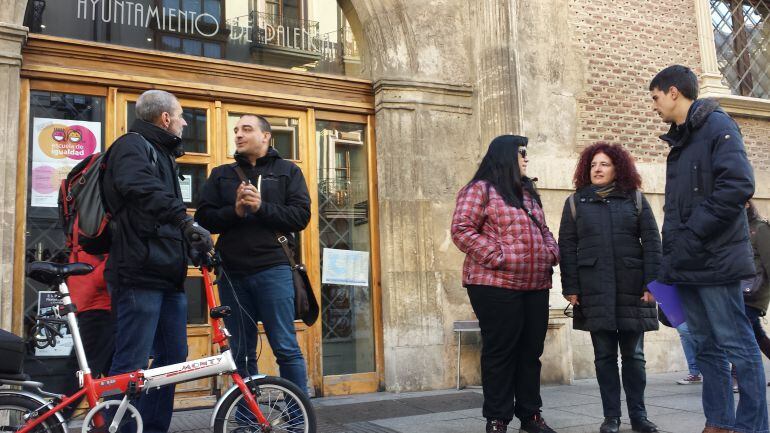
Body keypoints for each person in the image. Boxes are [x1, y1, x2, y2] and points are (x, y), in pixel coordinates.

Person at [650, 64, 767, 433]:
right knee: (704, 346)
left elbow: (738, 184)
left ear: (673, 92)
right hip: (687, 261)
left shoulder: (718, 126)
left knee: (738, 344)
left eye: (656, 97)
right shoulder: (681, 139)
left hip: (715, 260)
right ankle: (718, 421)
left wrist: (694, 232)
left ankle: (752, 426)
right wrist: (671, 259)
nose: (654, 105)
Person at [102, 90, 213, 433]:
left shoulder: (163, 154)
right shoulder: (131, 146)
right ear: (165, 118)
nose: (184, 123)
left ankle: (151, 427)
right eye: (180, 116)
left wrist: (193, 245)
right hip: (138, 274)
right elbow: (141, 190)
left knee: (173, 358)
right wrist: (184, 221)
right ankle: (119, 429)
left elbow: (160, 220)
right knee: (131, 361)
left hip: (167, 275)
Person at [195, 114, 311, 394]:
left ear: (266, 136)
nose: (238, 134)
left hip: (274, 269)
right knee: (241, 350)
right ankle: (247, 414)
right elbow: (204, 218)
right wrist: (234, 211)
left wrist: (261, 207)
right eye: (236, 130)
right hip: (232, 273)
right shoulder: (221, 174)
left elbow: (300, 217)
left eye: (246, 129)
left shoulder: (288, 171)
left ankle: (298, 413)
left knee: (285, 346)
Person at [451, 135, 559, 433]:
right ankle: (497, 418)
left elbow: (544, 229)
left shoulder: (528, 192)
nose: (526, 158)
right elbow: (461, 229)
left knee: (531, 353)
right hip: (494, 284)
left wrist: (551, 251)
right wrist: (499, 256)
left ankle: (530, 416)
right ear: (505, 155)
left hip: (535, 284)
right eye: (521, 152)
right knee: (500, 351)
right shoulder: (479, 189)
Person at [558, 142, 661, 433]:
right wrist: (571, 286)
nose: (597, 169)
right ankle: (611, 417)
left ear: (618, 168)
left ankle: (639, 416)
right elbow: (567, 247)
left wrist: (652, 284)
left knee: (634, 357)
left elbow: (652, 243)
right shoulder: (576, 203)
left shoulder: (635, 199)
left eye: (604, 164)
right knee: (604, 357)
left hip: (632, 288)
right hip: (593, 290)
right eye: (593, 165)